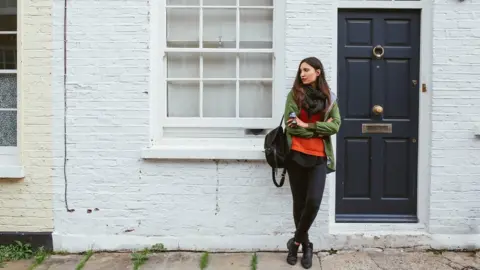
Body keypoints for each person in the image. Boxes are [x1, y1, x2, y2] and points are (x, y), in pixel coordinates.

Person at [283, 57, 341, 269]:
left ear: (318, 72)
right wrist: (318, 127)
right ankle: (306, 246)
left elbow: (335, 126)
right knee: (299, 204)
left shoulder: (329, 98)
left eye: (306, 70)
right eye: (300, 71)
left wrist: (306, 124)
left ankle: (295, 241)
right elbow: (291, 127)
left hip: (319, 158)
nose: (302, 74)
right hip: (296, 156)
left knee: (313, 201)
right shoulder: (294, 95)